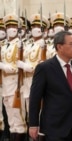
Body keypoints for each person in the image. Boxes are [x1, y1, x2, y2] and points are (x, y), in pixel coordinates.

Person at [0, 13, 27, 141]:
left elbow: (19, 67)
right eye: (9, 26)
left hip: (16, 85)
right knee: (11, 120)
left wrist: (4, 67)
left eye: (14, 26)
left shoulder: (21, 45)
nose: (11, 28)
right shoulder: (4, 46)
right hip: (5, 86)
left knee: (19, 119)